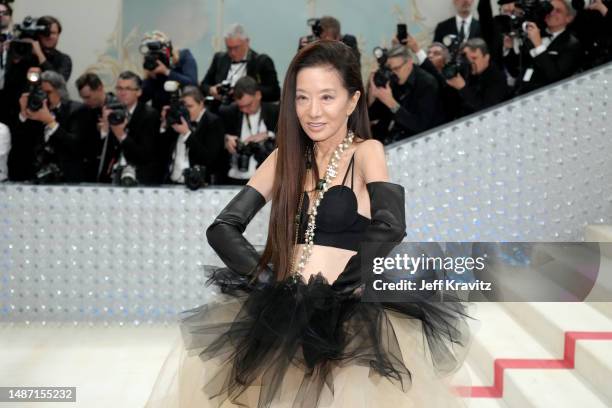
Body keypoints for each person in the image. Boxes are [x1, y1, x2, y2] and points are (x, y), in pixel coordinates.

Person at [145, 40, 470, 408]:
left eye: (327, 97)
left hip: (349, 320)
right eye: (302, 98)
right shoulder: (285, 158)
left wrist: (341, 289)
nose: (313, 111)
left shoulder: (367, 151)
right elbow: (222, 228)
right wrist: (269, 285)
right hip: (284, 314)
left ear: (352, 101)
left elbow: (391, 224)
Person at [8, 69, 82, 183]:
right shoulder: (35, 109)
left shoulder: (76, 110)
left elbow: (76, 145)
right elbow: (18, 143)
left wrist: (50, 122)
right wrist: (24, 113)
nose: (44, 98)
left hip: (64, 178)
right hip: (33, 176)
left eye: (48, 93)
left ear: (60, 91)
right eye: (41, 93)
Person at [368, 45, 442, 144]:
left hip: (422, 142)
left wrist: (392, 104)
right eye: (390, 69)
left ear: (410, 62)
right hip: (391, 139)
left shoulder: (427, 84)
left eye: (397, 68)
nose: (393, 73)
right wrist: (373, 93)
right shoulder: (393, 80)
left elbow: (420, 126)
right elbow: (373, 114)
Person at [100, 71, 160, 185]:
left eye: (127, 89)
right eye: (119, 88)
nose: (122, 93)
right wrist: (105, 128)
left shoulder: (149, 115)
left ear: (139, 92)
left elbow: (145, 154)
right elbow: (101, 151)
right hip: (113, 174)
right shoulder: (112, 111)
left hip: (140, 176)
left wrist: (121, 135)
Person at [199, 23, 281, 106]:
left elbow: (274, 93)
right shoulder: (219, 59)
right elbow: (203, 85)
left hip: (248, 110)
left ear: (247, 42)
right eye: (229, 48)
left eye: (236, 48)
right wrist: (211, 90)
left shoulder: (261, 62)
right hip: (219, 110)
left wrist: (244, 91)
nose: (232, 53)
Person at [159, 86, 226, 185]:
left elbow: (209, 158)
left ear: (201, 104)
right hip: (173, 182)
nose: (186, 111)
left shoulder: (213, 122)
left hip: (199, 184)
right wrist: (164, 124)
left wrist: (187, 134)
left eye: (190, 106)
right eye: (183, 106)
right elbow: (160, 152)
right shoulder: (178, 118)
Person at [219, 75, 279, 185]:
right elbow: (213, 139)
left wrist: (269, 134)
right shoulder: (228, 112)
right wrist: (225, 139)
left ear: (258, 95)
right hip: (234, 178)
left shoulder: (276, 112)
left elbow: (290, 139)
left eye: (248, 105)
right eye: (240, 107)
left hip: (268, 179)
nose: (245, 110)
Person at [518, 0, 583, 94]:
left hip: (548, 94)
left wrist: (538, 45)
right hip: (523, 91)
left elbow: (555, 76)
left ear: (569, 18)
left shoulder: (572, 44)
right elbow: (519, 67)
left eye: (558, 11)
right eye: (549, 9)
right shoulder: (536, 34)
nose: (551, 13)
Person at [446, 38, 509, 115]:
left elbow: (486, 109)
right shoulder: (466, 70)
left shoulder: (497, 78)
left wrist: (463, 88)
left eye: (474, 58)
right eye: (467, 58)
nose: (470, 62)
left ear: (486, 57)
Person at [140, 31, 198, 112]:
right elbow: (143, 97)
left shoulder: (184, 56)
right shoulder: (151, 64)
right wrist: (150, 76)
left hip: (183, 109)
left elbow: (192, 84)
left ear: (168, 47)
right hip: (160, 111)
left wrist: (166, 71)